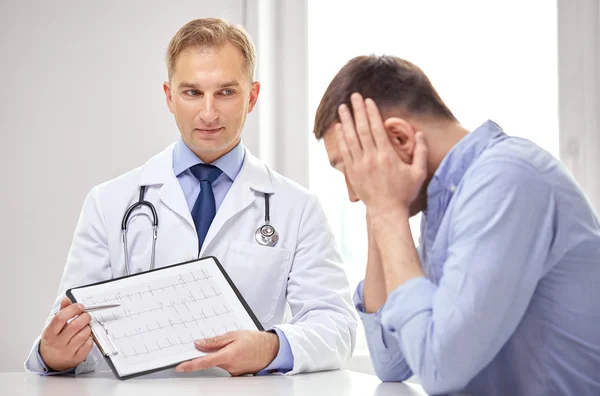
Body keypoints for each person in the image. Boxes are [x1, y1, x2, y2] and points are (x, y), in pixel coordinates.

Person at [25, 18, 357, 377]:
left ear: (253, 96)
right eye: (193, 92)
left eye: (226, 92)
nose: (209, 113)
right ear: (169, 96)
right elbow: (68, 330)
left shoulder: (297, 208)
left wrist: (271, 346)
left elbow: (337, 325)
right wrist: (54, 354)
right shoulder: (108, 203)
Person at [312, 55, 600, 395]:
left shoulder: (506, 179)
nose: (354, 194)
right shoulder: (445, 201)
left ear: (400, 139)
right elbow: (391, 363)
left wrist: (387, 209)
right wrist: (381, 211)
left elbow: (439, 368)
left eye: (352, 167)